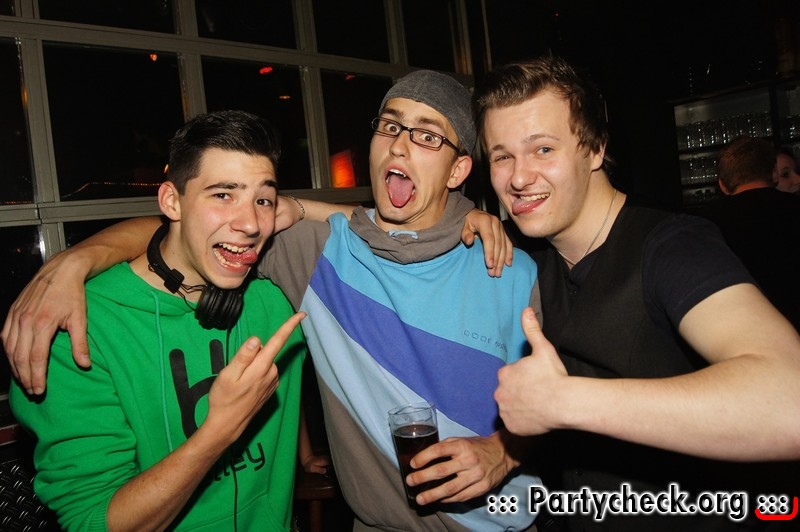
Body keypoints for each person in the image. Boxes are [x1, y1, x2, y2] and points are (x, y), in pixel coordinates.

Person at [3, 71, 541, 531]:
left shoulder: (511, 269)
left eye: (426, 136)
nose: (399, 145)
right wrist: (76, 260)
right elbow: (187, 234)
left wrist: (504, 450)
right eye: (390, 126)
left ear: (459, 170)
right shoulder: (311, 260)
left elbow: (569, 407)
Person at [473, 56, 800, 530]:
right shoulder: (529, 252)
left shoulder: (673, 245)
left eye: (543, 149)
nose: (519, 178)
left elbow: (789, 402)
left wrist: (566, 402)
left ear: (595, 149)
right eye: (502, 156)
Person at [9, 110, 309, 530]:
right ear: (171, 201)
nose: (250, 224)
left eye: (263, 200)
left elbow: (387, 230)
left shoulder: (275, 294)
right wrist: (217, 433)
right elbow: (92, 522)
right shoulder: (77, 328)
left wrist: (298, 207)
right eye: (223, 195)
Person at [700, 136, 800, 330]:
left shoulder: (705, 224)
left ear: (722, 185)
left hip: (737, 331)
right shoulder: (794, 209)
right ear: (774, 174)